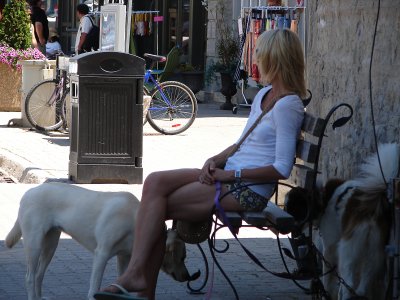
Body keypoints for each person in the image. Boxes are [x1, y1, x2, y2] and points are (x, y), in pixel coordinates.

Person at [95, 28, 307, 300]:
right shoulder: (266, 94)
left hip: (246, 189)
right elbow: (241, 143)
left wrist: (230, 174)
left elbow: (281, 168)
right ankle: (139, 282)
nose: (255, 59)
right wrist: (214, 160)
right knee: (154, 182)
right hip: (229, 176)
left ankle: (138, 281)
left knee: (157, 208)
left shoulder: (288, 105)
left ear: (276, 59)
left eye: (261, 54)